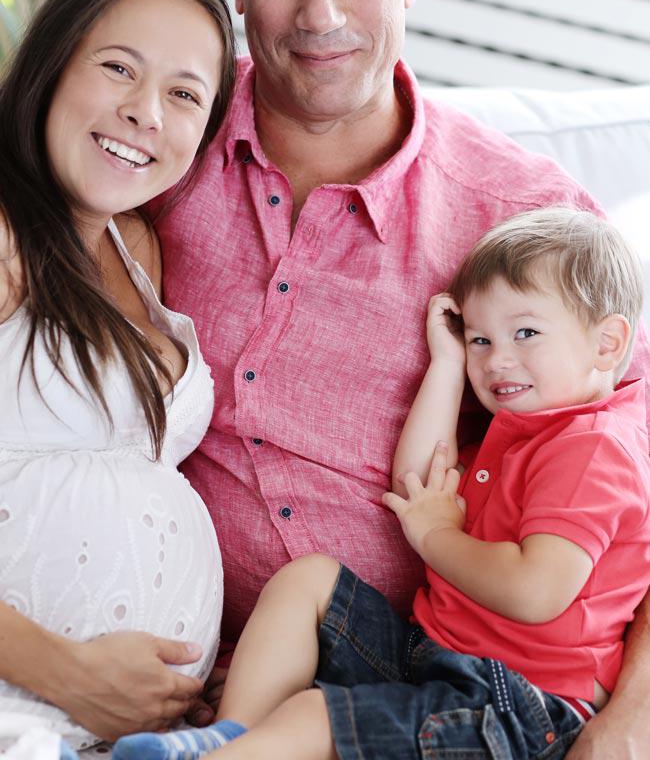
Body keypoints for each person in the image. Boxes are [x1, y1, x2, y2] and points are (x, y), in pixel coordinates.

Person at [153, 0, 650, 754]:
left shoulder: (530, 226)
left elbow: (635, 484)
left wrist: (629, 726)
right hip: (154, 652)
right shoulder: (163, 142)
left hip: (428, 694)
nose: (320, 15)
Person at [112, 206, 650, 760]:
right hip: (437, 660)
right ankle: (230, 735)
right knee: (310, 580)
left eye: (526, 333)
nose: (496, 361)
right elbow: (417, 484)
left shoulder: (594, 448)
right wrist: (446, 362)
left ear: (608, 344)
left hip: (523, 708)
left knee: (314, 715)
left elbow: (536, 592)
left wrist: (438, 538)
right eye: (481, 340)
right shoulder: (523, 432)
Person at [0, 0, 237, 755]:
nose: (146, 113)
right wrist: (64, 671)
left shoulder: (135, 247)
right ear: (52, 62)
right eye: (117, 69)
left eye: (184, 95)